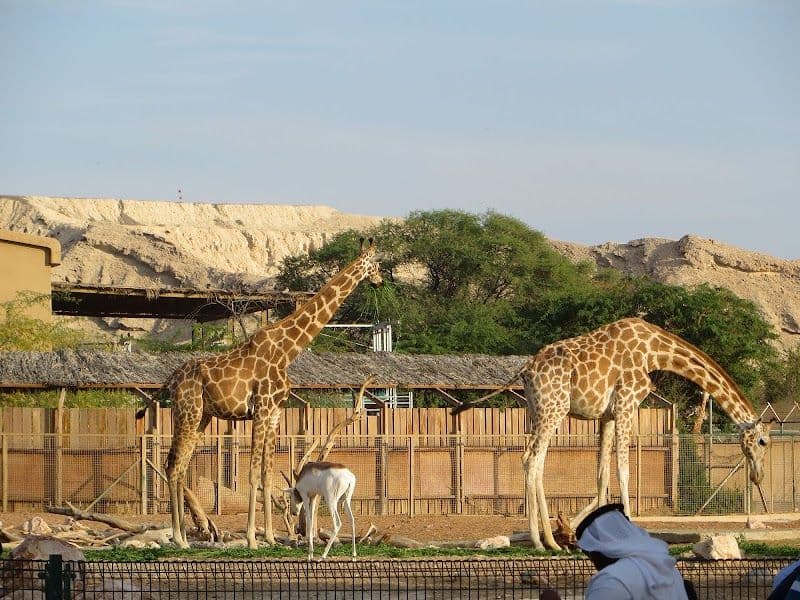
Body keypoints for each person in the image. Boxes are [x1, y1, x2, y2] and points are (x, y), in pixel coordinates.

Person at [575, 503, 693, 600]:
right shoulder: (666, 567)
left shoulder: (611, 579)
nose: (592, 560)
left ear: (599, 549)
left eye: (589, 553)